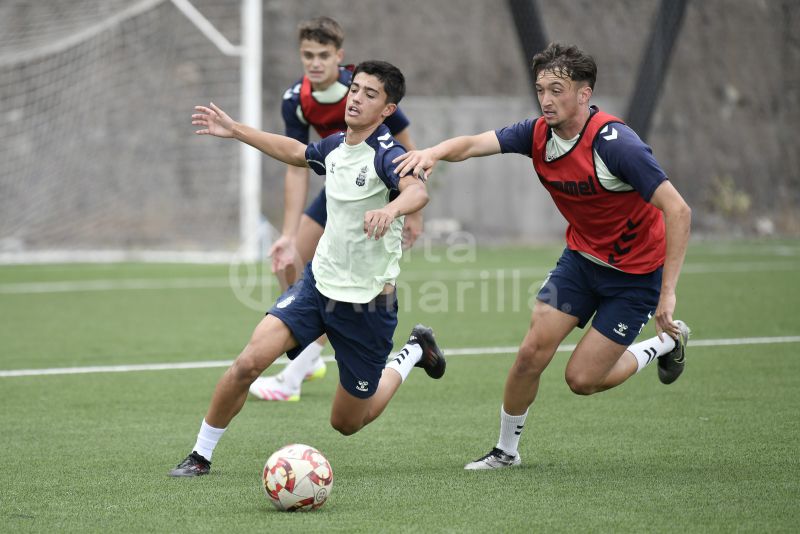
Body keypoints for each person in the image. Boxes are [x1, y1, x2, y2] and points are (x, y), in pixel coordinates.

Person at [393, 42, 692, 470]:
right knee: (532, 351)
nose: (546, 100)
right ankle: (505, 452)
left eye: (557, 89)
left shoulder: (616, 145)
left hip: (635, 276)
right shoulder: (537, 134)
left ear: (584, 94)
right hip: (581, 262)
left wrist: (668, 295)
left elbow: (679, 210)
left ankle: (664, 343)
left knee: (582, 380)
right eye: (541, 90)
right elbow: (476, 143)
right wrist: (433, 153)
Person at [169, 60, 445, 477]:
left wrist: (391, 209)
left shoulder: (389, 155)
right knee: (248, 363)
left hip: (367, 306)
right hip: (318, 286)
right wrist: (237, 130)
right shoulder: (336, 146)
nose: (356, 98)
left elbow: (417, 191)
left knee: (348, 422)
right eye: (356, 89)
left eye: (371, 95)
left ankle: (412, 353)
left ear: (388, 109)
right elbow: (297, 153)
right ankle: (200, 455)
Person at [249, 16, 424, 402]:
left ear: (338, 57)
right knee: (290, 259)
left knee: (344, 285)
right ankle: (306, 358)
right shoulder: (296, 99)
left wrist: (409, 211)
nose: (314, 62)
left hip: (376, 190)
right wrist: (288, 231)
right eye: (307, 55)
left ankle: (298, 368)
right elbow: (297, 167)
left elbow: (409, 151)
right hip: (336, 190)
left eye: (322, 55)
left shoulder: (365, 87)